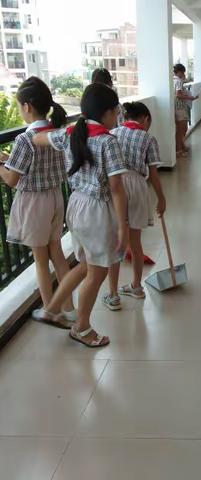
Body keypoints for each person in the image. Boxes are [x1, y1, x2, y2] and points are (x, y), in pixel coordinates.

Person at [32, 83, 129, 348]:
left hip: (75, 205)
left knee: (85, 264)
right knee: (96, 273)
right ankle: (82, 327)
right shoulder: (108, 142)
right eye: (116, 112)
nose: (117, 117)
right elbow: (117, 190)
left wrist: (34, 131)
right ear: (108, 112)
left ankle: (51, 308)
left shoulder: (71, 132)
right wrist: (123, 226)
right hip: (98, 210)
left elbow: (38, 138)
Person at [0, 76, 76, 328]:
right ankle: (69, 308)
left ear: (27, 107)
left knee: (41, 260)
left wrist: (1, 163)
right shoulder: (56, 133)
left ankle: (50, 311)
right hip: (56, 197)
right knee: (57, 253)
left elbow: (11, 179)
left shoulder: (24, 139)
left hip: (34, 203)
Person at [104, 101, 166, 310]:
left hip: (117, 185)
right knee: (135, 242)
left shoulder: (112, 134)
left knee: (116, 242)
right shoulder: (148, 138)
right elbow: (154, 174)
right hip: (139, 186)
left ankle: (113, 295)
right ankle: (136, 286)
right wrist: (161, 198)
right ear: (145, 119)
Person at [173, 63, 199, 157]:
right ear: (179, 72)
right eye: (182, 72)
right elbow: (178, 95)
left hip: (175, 107)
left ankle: (181, 147)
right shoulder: (179, 81)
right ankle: (179, 151)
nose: (183, 74)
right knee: (181, 130)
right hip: (180, 107)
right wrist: (190, 97)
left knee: (179, 130)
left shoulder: (172, 80)